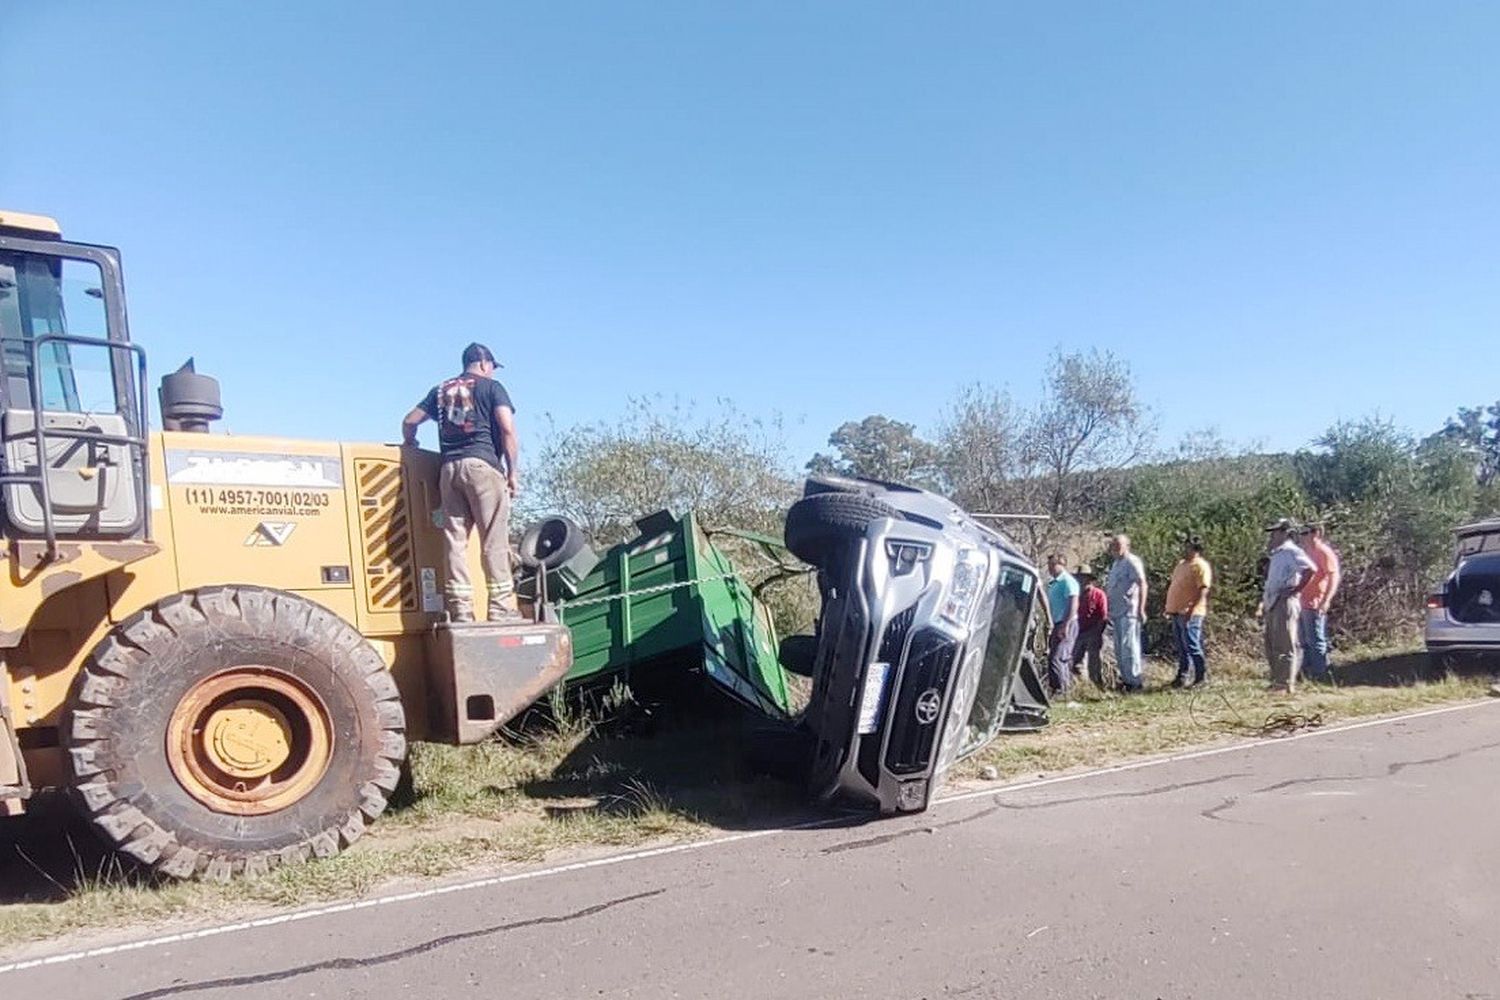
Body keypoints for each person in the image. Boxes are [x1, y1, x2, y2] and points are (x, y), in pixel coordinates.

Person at [402, 342, 522, 623]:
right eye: (492, 367)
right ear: (483, 364)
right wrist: (512, 471)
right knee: (493, 538)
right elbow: (506, 428)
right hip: (482, 466)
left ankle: (461, 610)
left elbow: (409, 420)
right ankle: (501, 608)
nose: (492, 372)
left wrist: (410, 443)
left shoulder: (440, 390)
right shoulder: (492, 388)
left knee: (454, 541)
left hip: (449, 470)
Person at [1257, 518, 1317, 694]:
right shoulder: (1277, 553)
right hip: (1273, 601)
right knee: (1272, 643)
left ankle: (1285, 684)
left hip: (1285, 601)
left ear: (1285, 532)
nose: (1272, 536)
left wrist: (1295, 590)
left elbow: (1310, 569)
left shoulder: (1292, 551)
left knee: (1285, 643)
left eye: (1276, 532)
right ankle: (1277, 681)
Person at [1164, 536, 1213, 688]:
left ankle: (1201, 677)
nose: (1184, 550)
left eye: (1188, 547)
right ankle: (1182, 676)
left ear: (1196, 549)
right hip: (1176, 611)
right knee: (1181, 646)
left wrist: (1191, 608)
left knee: (1192, 645)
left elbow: (1203, 589)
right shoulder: (1181, 565)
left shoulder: (1200, 566)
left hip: (1191, 612)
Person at [1296, 523, 1342, 681]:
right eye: (1301, 533)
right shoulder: (1305, 552)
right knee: (1304, 641)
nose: (1301, 536)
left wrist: (1326, 600)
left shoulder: (1324, 552)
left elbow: (1333, 577)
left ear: (1316, 533)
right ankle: (1307, 672)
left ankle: (1321, 674)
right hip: (1301, 602)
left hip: (1315, 602)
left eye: (1305, 533)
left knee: (1316, 639)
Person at [1105, 534, 1148, 692]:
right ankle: (1126, 680)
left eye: (1118, 545)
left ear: (1127, 546)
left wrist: (1141, 609)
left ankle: (1135, 681)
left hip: (1129, 610)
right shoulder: (1116, 564)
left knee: (1129, 647)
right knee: (1119, 648)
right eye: (1113, 545)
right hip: (1116, 611)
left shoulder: (1132, 561)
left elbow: (1142, 583)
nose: (1115, 548)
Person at [1045, 554, 1080, 696]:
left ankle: (1062, 690)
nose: (1050, 568)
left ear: (1061, 564)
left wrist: (1065, 625)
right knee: (1054, 658)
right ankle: (1058, 690)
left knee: (1058, 658)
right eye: (1049, 565)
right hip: (1056, 623)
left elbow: (1073, 603)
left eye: (1052, 565)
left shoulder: (1068, 581)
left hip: (1066, 623)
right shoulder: (1054, 583)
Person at [1075, 569, 1110, 688]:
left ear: (1090, 580)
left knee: (1094, 662)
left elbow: (1103, 616)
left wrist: (1097, 633)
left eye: (1084, 579)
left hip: (1093, 631)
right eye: (1079, 578)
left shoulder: (1099, 594)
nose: (1082, 581)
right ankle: (1082, 687)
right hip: (1078, 632)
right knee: (1075, 662)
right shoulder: (1075, 595)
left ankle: (1097, 686)